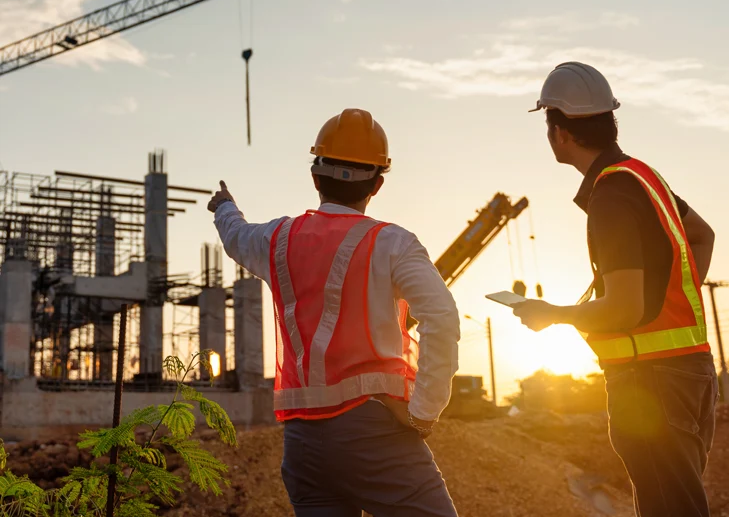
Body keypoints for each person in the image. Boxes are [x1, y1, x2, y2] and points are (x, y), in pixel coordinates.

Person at [207, 108, 460, 517]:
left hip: (304, 444)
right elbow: (442, 318)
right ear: (377, 185)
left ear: (314, 177)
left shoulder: (277, 238)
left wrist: (224, 207)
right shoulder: (393, 243)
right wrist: (424, 412)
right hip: (376, 434)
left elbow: (235, 236)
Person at [513, 62, 718, 517]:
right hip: (690, 372)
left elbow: (624, 309)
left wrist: (552, 314)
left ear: (560, 133)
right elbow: (703, 236)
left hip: (652, 383)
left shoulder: (610, 197)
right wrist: (668, 298)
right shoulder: (644, 177)